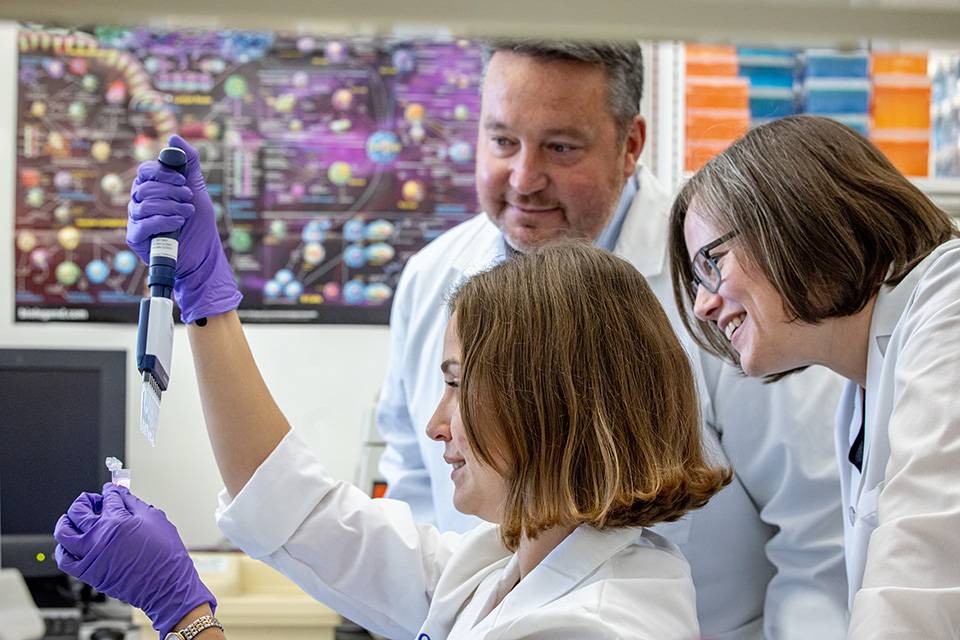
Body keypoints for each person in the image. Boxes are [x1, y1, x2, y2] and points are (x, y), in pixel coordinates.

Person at [376, 40, 848, 638]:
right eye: (502, 142)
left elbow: (818, 536)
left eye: (560, 147)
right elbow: (413, 489)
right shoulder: (430, 278)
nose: (524, 178)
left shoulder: (727, 283)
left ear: (630, 146)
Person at [55, 239, 732, 639]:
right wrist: (208, 306)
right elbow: (307, 513)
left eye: (459, 384)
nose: (438, 422)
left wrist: (186, 615)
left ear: (551, 406)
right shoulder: (508, 569)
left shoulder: (590, 627)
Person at [668, 114, 960, 639]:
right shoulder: (859, 393)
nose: (704, 306)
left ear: (793, 218)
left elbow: (924, 571)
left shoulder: (951, 305)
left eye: (712, 263)